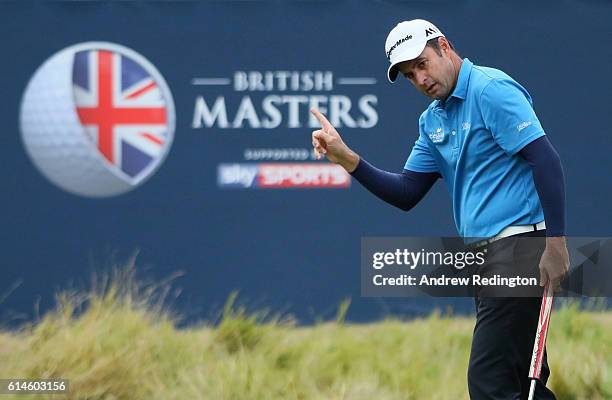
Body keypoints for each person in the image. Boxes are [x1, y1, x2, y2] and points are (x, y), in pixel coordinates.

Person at [310, 19, 570, 400]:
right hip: (484, 260)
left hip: (519, 250)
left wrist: (556, 243)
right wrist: (348, 159)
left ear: (443, 46)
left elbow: (545, 160)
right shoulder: (432, 119)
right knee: (522, 384)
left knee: (489, 383)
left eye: (422, 63)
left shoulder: (490, 89)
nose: (420, 78)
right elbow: (407, 191)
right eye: (409, 73)